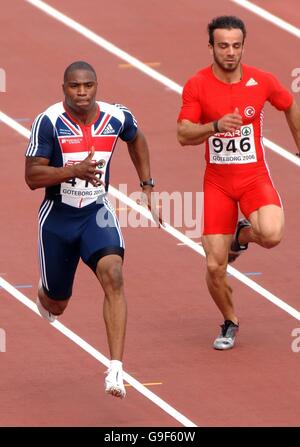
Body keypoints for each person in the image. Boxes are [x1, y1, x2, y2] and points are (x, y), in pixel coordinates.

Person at [25, 61, 158, 398]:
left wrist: (147, 183)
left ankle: (115, 369)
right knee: (57, 304)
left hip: (97, 213)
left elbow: (136, 138)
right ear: (64, 88)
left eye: (87, 86)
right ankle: (46, 292)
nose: (81, 92)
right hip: (57, 219)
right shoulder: (48, 122)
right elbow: (32, 176)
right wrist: (73, 170)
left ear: (97, 86)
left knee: (113, 273)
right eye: (74, 86)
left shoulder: (116, 116)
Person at [177, 16, 300, 350]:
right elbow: (183, 134)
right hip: (217, 184)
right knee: (215, 265)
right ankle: (230, 321)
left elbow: (288, 105)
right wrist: (214, 126)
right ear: (211, 47)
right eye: (223, 45)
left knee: (273, 234)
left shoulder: (262, 81)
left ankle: (241, 236)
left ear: (243, 46)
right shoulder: (197, 85)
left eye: (236, 45)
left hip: (253, 178)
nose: (230, 52)